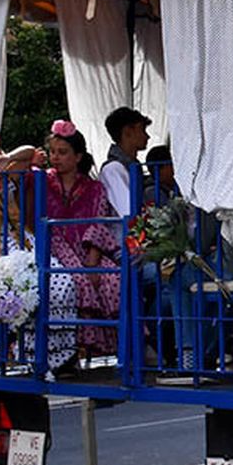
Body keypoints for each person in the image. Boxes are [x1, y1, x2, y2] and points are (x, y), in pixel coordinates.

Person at [44, 119, 121, 362]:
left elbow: (98, 223)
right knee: (77, 280)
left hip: (87, 247)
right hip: (55, 247)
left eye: (62, 152)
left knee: (113, 279)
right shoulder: (42, 182)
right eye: (52, 152)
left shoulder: (94, 188)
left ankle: (113, 346)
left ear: (77, 157)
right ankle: (72, 348)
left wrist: (93, 260)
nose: (55, 158)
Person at [98, 106, 152, 221]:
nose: (147, 136)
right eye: (142, 130)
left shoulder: (131, 166)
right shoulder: (113, 169)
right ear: (128, 132)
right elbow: (128, 211)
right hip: (121, 231)